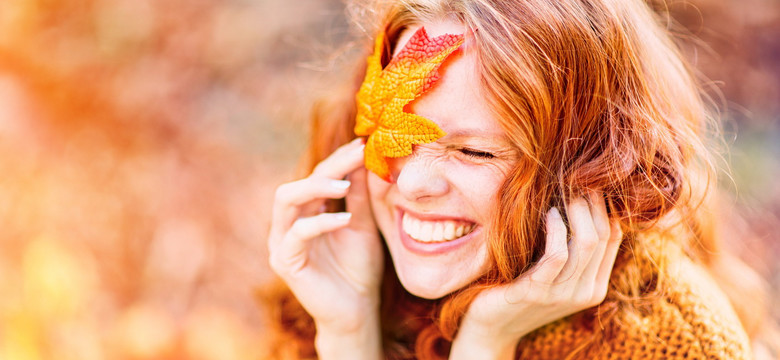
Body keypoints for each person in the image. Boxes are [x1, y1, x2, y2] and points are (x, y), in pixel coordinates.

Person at [265, 0, 765, 358]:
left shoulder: (669, 343)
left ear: (589, 167)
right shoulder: (357, 269)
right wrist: (348, 334)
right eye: (391, 133)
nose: (413, 183)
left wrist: (486, 344)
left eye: (475, 151)